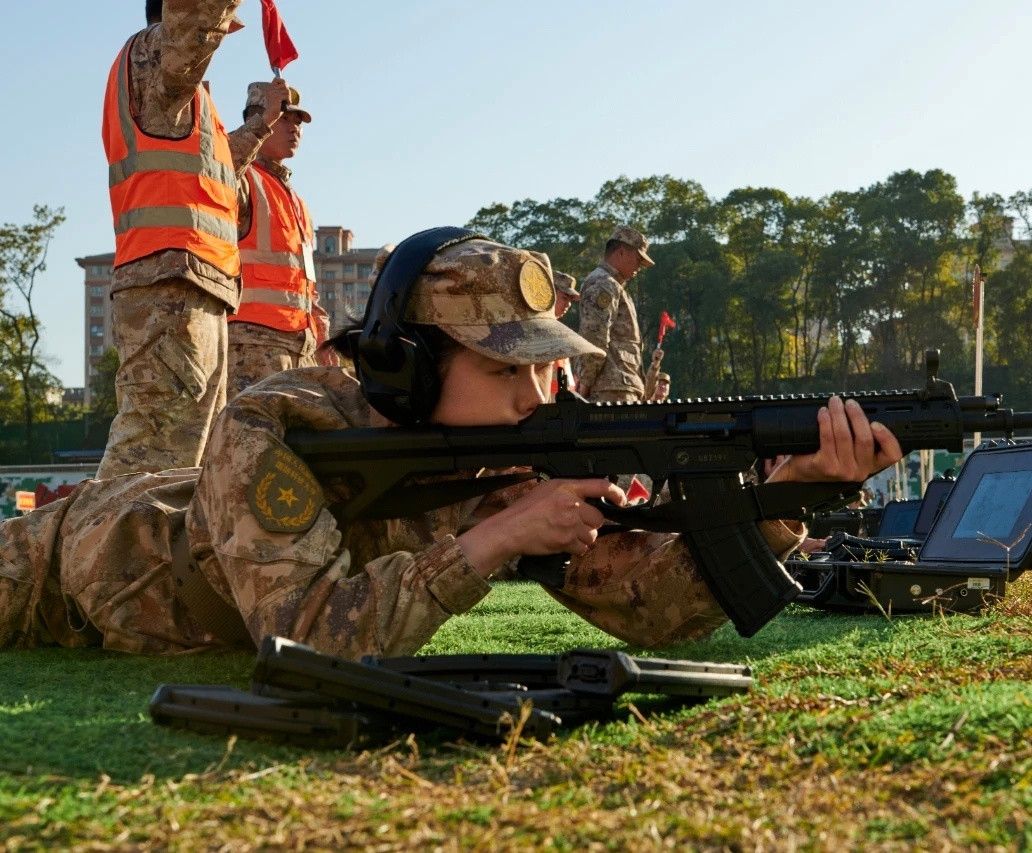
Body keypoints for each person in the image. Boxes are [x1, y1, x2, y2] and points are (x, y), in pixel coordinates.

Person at [0, 231, 902, 657]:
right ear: (409, 367)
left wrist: (787, 495)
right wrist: (492, 544)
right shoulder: (275, 423)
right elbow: (309, 640)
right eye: (506, 370)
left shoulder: (497, 461)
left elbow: (647, 608)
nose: (537, 397)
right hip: (63, 573)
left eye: (546, 370)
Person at [98, 0, 290, 478]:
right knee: (151, 460)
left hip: (189, 285)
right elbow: (195, 23)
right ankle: (68, 552)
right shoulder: (156, 54)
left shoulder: (178, 90)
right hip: (171, 283)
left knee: (182, 460)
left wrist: (262, 122)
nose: (220, 33)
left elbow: (219, 170)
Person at [227, 83, 331, 395]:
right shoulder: (243, 181)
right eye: (285, 119)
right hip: (251, 348)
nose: (294, 128)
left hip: (300, 350)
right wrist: (259, 126)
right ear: (259, 119)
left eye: (297, 122)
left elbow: (304, 283)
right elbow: (214, 165)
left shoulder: (297, 203)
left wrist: (322, 336)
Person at [573, 225, 654, 402]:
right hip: (610, 388)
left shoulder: (613, 285)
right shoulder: (603, 283)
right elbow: (595, 335)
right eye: (638, 259)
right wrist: (586, 381)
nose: (639, 267)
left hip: (619, 384)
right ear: (622, 253)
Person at [550, 271, 579, 394]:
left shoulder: (558, 330)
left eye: (570, 300)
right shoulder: (535, 331)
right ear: (549, 294)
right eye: (565, 298)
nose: (569, 304)